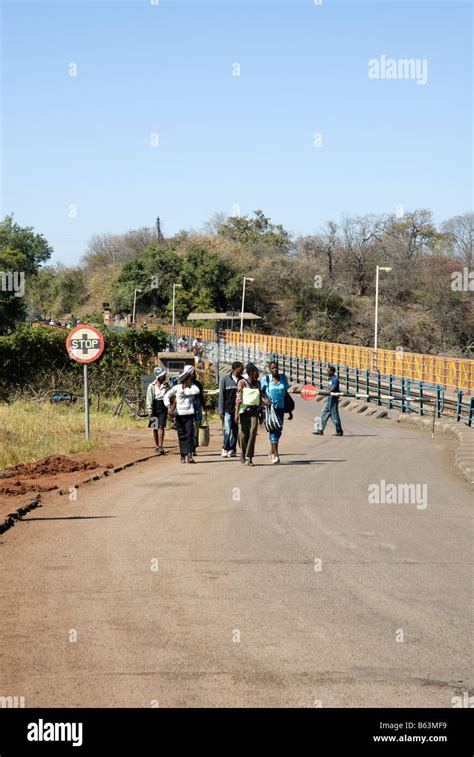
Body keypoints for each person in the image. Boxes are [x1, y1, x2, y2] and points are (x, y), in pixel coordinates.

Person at [164, 365, 200, 463]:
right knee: (181, 435)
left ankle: (189, 455)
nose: (190, 381)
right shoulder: (176, 388)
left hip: (189, 414)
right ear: (186, 380)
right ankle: (182, 455)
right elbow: (166, 396)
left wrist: (185, 390)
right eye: (189, 379)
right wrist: (168, 407)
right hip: (179, 415)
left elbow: (197, 391)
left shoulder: (192, 387)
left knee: (189, 435)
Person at [261, 360, 292, 464]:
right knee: (274, 429)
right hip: (270, 409)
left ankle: (271, 451)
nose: (275, 369)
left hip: (281, 408)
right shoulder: (266, 379)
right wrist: (265, 399)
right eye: (273, 368)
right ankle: (276, 455)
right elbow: (260, 392)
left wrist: (290, 411)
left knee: (279, 430)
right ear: (269, 369)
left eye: (276, 367)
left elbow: (286, 394)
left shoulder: (283, 378)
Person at [235, 363, 262, 466]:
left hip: (254, 411)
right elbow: (238, 398)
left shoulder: (258, 384)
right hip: (243, 411)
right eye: (256, 372)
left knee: (253, 432)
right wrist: (236, 413)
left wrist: (261, 413)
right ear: (251, 373)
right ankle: (243, 452)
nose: (258, 374)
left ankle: (249, 457)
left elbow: (259, 399)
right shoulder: (242, 382)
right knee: (242, 434)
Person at [218, 361, 244, 458]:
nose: (243, 369)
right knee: (227, 429)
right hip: (228, 409)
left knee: (235, 430)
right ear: (236, 368)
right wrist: (221, 410)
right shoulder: (225, 379)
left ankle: (232, 449)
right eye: (241, 368)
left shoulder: (242, 380)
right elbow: (221, 396)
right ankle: (225, 448)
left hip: (238, 410)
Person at [146, 367, 170, 454]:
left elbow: (170, 396)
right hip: (154, 407)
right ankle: (157, 446)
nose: (165, 376)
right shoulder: (151, 386)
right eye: (163, 375)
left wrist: (169, 408)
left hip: (163, 407)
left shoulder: (166, 386)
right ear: (159, 377)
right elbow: (149, 399)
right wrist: (149, 410)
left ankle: (161, 446)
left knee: (161, 426)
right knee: (154, 427)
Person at [314, 365, 343, 436]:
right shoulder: (330, 379)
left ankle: (339, 431)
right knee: (323, 414)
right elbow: (329, 389)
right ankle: (320, 430)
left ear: (332, 372)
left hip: (333, 400)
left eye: (328, 371)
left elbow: (333, 388)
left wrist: (323, 395)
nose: (327, 372)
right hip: (329, 399)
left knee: (334, 416)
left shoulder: (335, 379)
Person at [190, 367, 206, 456]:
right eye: (193, 373)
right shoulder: (184, 384)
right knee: (189, 427)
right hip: (188, 408)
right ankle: (189, 447)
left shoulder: (198, 384)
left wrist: (204, 407)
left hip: (197, 408)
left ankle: (194, 447)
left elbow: (201, 396)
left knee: (196, 427)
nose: (195, 375)